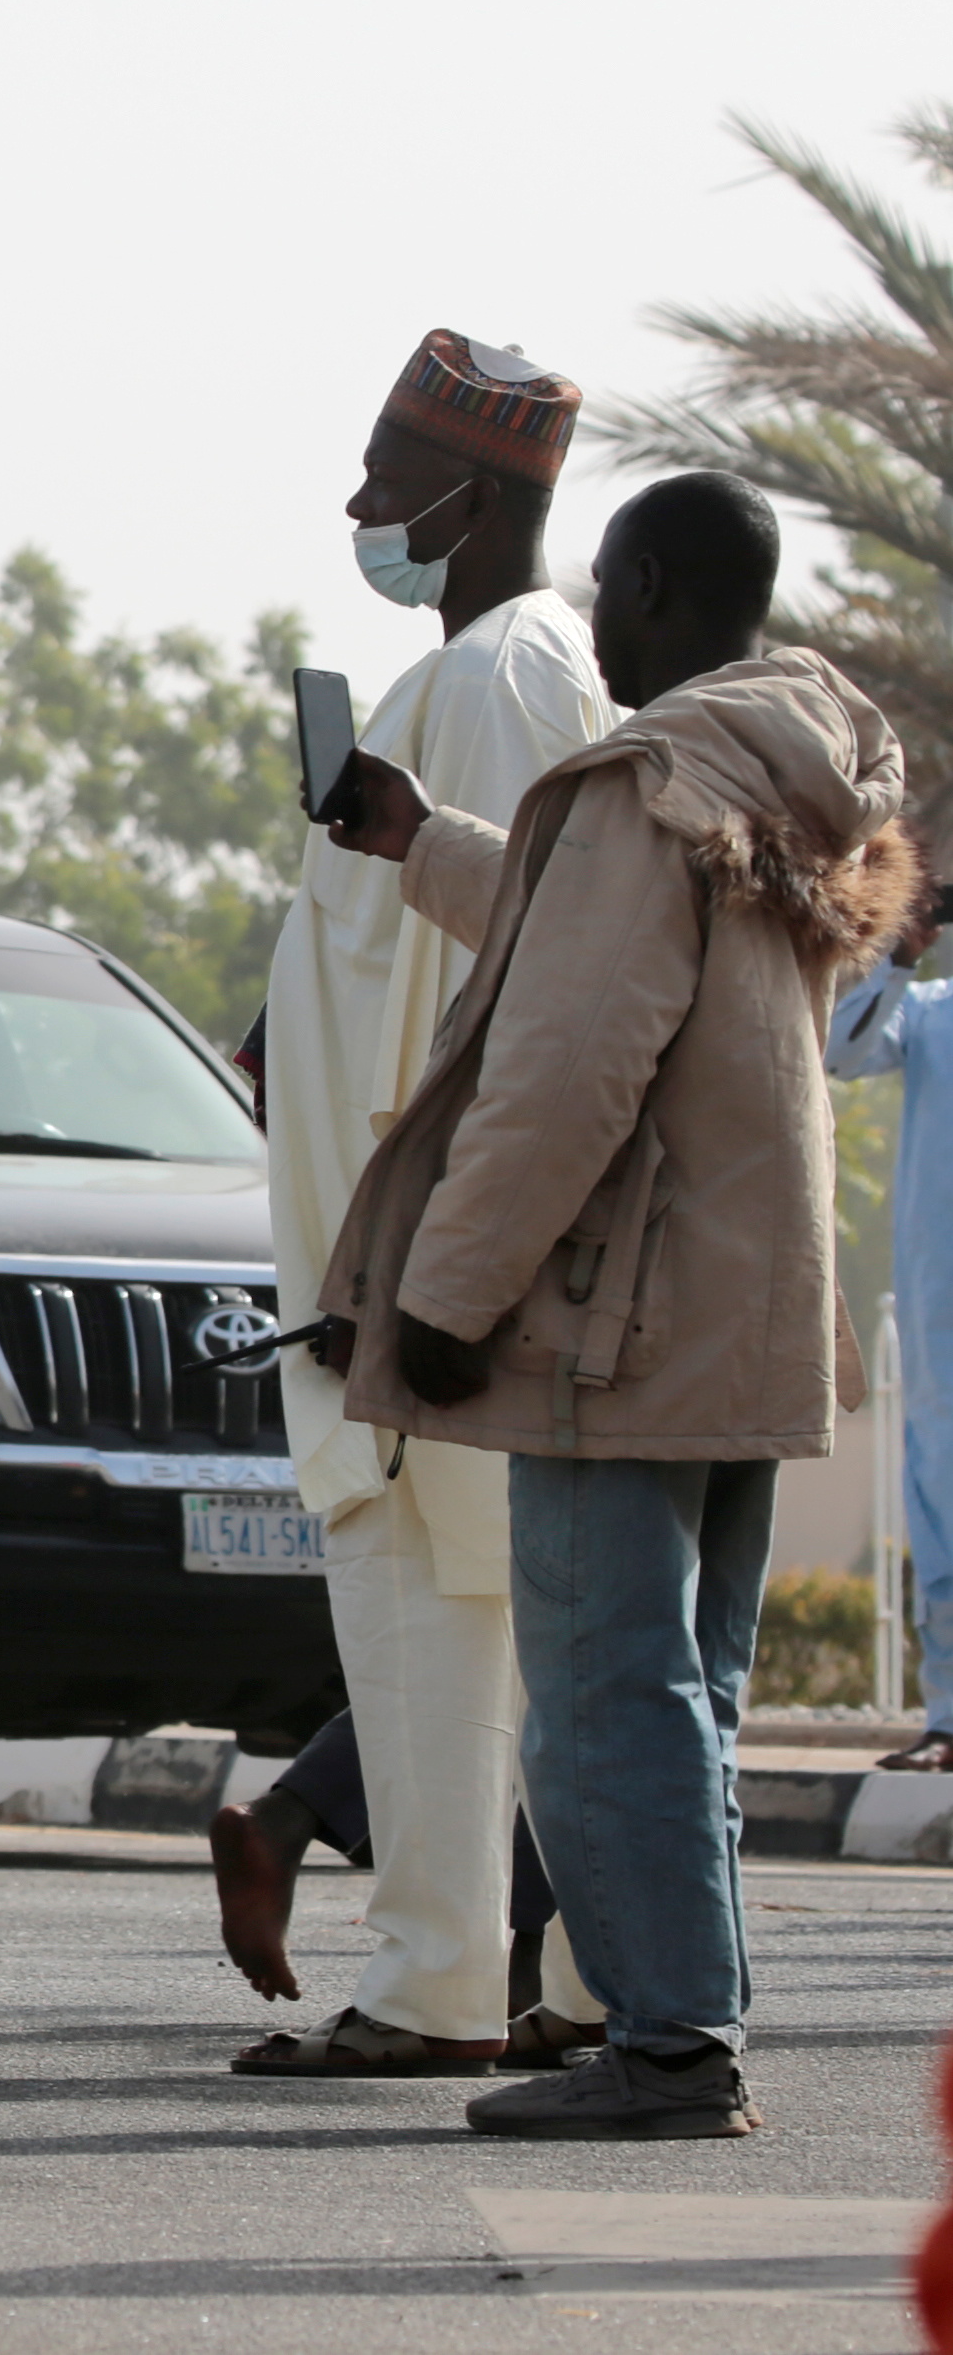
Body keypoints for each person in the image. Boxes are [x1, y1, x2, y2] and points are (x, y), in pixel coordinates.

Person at [323, 471, 913, 2142]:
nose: (587, 618)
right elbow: (590, 932)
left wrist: (446, 1292)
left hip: (611, 1314)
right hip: (749, 1304)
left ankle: (665, 2046)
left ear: (645, 581)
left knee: (596, 1684)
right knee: (684, 1688)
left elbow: (567, 1054)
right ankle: (673, 2020)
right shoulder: (783, 774)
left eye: (603, 587)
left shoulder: (644, 781)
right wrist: (416, 839)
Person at [215, 330, 616, 2079]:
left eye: (392, 466)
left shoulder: (512, 672)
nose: (364, 501)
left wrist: (446, 1262)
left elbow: (545, 958)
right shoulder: (455, 672)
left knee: (446, 1619)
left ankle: (435, 1987)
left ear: (477, 494)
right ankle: (554, 1990)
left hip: (432, 1262)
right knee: (468, 1624)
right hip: (386, 1253)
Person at [824, 871, 953, 1769]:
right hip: (943, 1319)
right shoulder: (933, 1011)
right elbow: (841, 1048)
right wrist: (899, 949)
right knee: (940, 1503)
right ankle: (948, 1714)